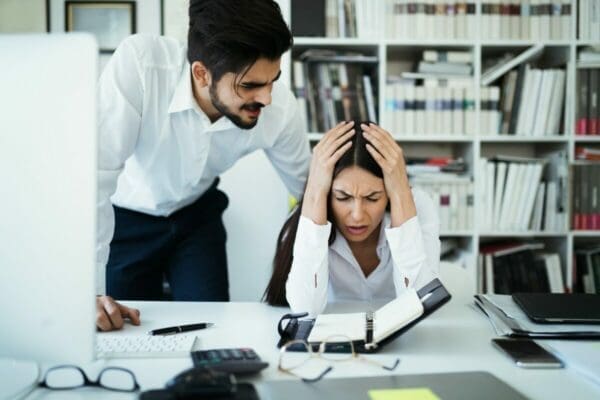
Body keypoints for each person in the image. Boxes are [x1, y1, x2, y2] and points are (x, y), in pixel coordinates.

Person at [95, 0, 311, 331]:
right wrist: (89, 291)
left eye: (272, 80)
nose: (267, 98)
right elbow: (96, 175)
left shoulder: (278, 108)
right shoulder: (140, 66)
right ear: (201, 73)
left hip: (196, 217)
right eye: (250, 85)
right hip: (125, 222)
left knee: (211, 328)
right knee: (121, 330)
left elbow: (311, 192)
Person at [264, 121, 440, 316]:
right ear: (327, 193)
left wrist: (400, 193)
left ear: (388, 193)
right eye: (342, 197)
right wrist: (314, 191)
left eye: (372, 198)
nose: (357, 215)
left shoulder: (415, 205)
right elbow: (305, 310)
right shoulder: (309, 214)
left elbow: (422, 303)